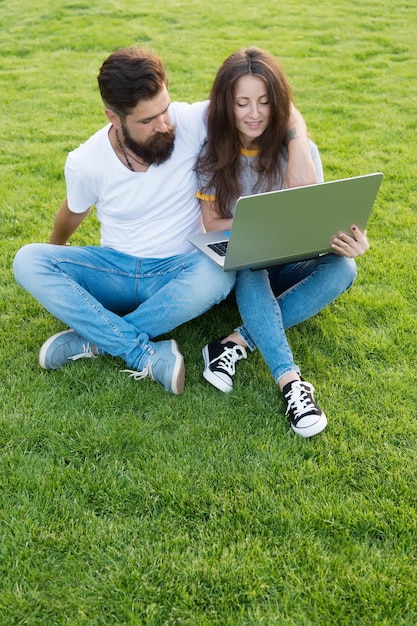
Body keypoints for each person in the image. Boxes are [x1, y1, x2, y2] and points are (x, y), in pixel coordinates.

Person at [13, 46, 314, 395]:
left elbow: (278, 106)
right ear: (114, 117)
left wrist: (297, 147)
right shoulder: (86, 161)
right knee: (28, 260)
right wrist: (57, 259)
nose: (163, 124)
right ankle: (141, 351)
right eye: (147, 120)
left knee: (220, 271)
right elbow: (71, 213)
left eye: (164, 110)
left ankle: (96, 340)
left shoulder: (188, 121)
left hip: (180, 273)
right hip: (116, 271)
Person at [196, 47, 370, 435]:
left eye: (264, 102)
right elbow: (210, 225)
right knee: (249, 258)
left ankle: (233, 343)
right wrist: (257, 223)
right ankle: (291, 383)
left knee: (344, 266)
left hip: (288, 260)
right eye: (242, 103)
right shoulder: (213, 151)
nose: (254, 113)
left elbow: (310, 203)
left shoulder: (300, 149)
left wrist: (297, 137)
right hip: (241, 268)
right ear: (227, 104)